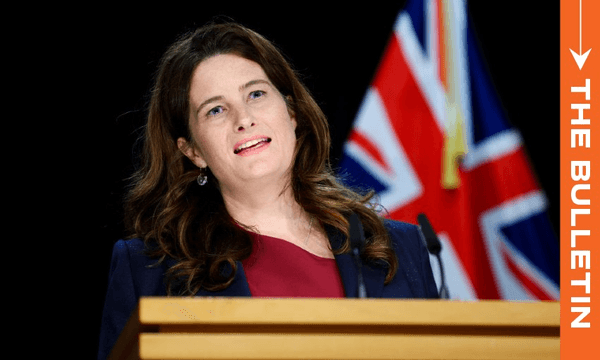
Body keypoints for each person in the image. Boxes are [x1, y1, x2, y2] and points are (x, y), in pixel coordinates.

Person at [98, 21, 438, 359]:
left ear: (291, 112)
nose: (243, 118)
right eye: (215, 110)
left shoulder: (399, 248)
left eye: (256, 94)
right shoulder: (148, 269)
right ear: (193, 151)